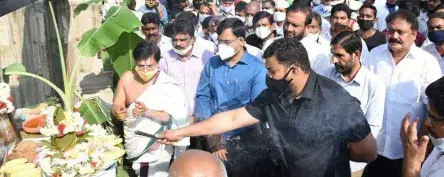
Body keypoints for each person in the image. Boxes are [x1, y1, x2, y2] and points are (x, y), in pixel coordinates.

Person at [159, 38, 378, 176]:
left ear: (293, 71)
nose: (268, 77)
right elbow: (233, 119)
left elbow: (367, 153)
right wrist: (180, 132)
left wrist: (329, 151)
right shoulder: (276, 93)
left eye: (272, 72)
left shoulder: (338, 102)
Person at [364, 9, 442, 177]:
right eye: (390, 31)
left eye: (401, 32)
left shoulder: (427, 62)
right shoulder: (375, 54)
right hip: (374, 145)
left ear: (414, 34)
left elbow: (432, 106)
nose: (394, 36)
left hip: (406, 150)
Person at [193, 18, 267, 176]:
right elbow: (202, 97)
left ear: (241, 41)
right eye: (219, 41)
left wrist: (224, 132)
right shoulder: (212, 64)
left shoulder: (257, 69)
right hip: (212, 135)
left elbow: (256, 107)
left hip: (243, 138)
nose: (222, 46)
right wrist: (212, 133)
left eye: (227, 42)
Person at [112, 41, 188, 176]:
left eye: (150, 66)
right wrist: (118, 111)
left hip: (156, 144)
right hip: (134, 141)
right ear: (135, 62)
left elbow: (172, 118)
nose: (145, 70)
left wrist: (147, 112)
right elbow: (117, 104)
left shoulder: (167, 85)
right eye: (141, 66)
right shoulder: (127, 78)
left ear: (158, 64)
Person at [323, 31, 386, 174]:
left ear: (356, 55)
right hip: (323, 158)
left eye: (339, 55)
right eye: (333, 54)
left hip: (353, 165)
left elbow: (373, 127)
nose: (334, 60)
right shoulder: (325, 75)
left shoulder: (373, 85)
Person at [159, 19, 214, 132]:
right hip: (177, 119)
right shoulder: (164, 59)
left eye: (183, 40)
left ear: (193, 39)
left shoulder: (206, 57)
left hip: (204, 117)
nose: (178, 44)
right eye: (175, 40)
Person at [284, 3, 330, 73]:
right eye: (287, 23)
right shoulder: (273, 43)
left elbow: (320, 81)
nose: (288, 29)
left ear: (307, 27)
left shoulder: (318, 54)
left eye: (295, 25)